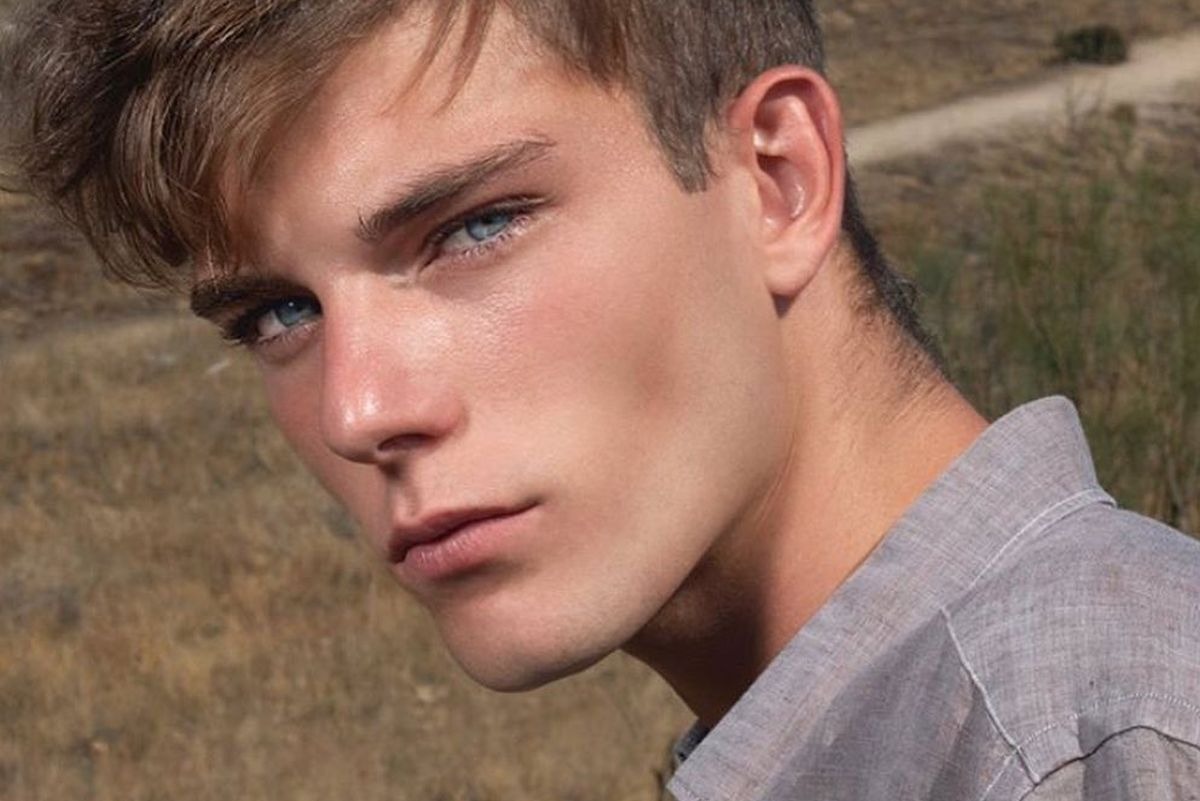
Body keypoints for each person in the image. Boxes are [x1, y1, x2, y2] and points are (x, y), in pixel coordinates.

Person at [3, 2, 1198, 798]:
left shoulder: (1103, 740)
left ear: (779, 181)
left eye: (474, 228)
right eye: (277, 313)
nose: (356, 413)